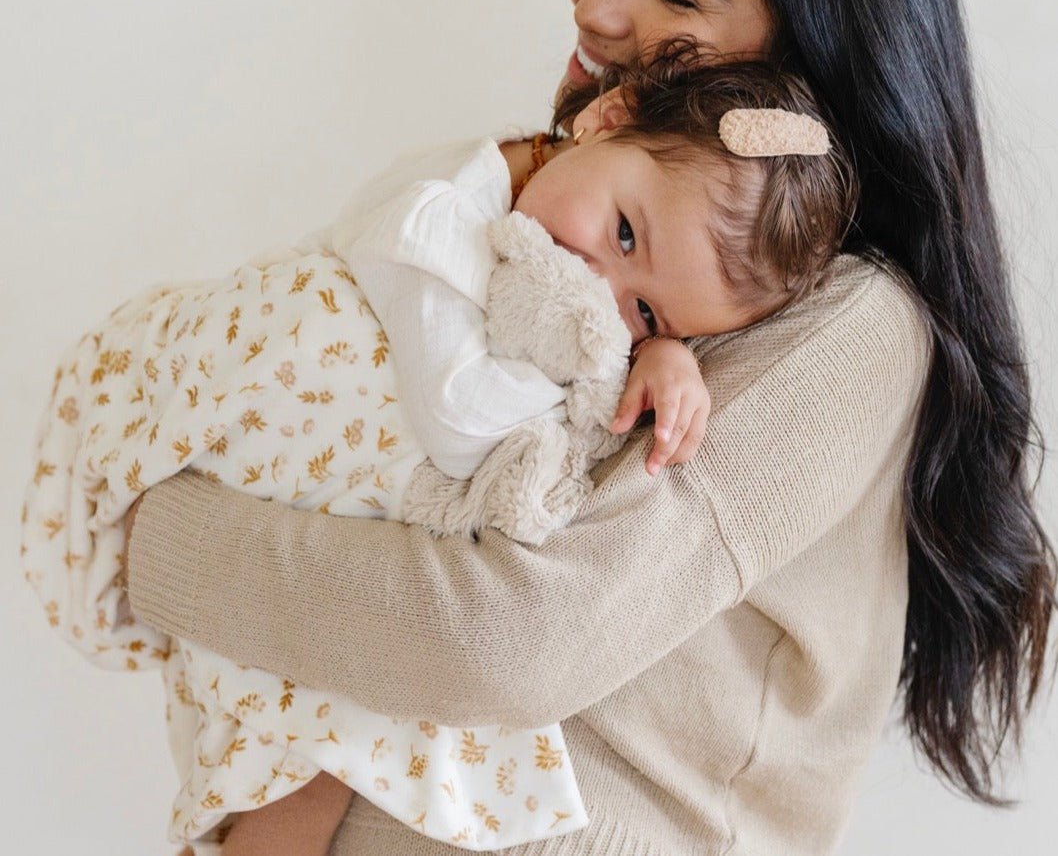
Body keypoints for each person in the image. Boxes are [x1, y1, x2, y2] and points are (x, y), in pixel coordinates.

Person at [116, 0, 1056, 853]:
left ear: (804, 54)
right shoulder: (574, 235)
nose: (596, 4)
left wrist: (145, 534)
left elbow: (502, 643)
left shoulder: (852, 327)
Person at [22, 54, 852, 854]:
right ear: (605, 119)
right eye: (624, 231)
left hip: (340, 564)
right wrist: (610, 373)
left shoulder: (578, 274)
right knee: (303, 760)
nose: (596, 291)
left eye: (646, 312)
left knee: (332, 750)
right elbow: (459, 417)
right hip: (249, 448)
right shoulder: (440, 207)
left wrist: (660, 359)